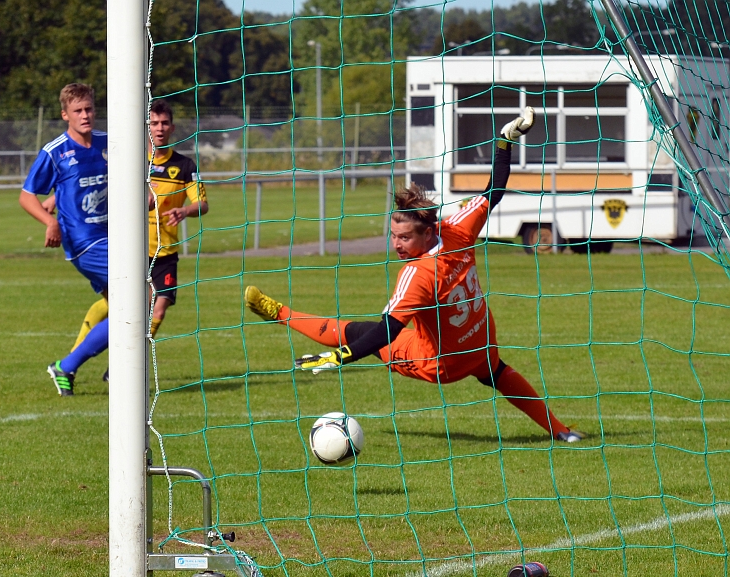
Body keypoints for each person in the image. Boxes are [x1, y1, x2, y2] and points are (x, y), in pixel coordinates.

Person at [244, 107, 582, 442]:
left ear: (428, 232)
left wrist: (340, 357)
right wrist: (505, 141)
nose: (396, 245)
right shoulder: (457, 228)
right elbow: (494, 192)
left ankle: (279, 313)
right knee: (498, 372)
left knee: (357, 331)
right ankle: (563, 432)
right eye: (392, 236)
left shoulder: (417, 274)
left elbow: (387, 332)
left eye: (404, 238)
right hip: (481, 341)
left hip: (439, 363)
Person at [67, 99, 208, 382]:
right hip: (129, 250)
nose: (159, 128)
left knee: (159, 306)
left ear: (172, 127)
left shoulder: (184, 166)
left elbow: (203, 204)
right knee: (112, 306)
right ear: (146, 127)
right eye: (154, 123)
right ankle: (73, 358)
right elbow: (94, 188)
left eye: (164, 123)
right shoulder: (130, 162)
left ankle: (120, 365)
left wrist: (184, 210)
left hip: (164, 253)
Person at [19, 83, 109, 396]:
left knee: (126, 305)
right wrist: (50, 220)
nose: (85, 115)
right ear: (65, 115)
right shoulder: (55, 152)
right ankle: (73, 365)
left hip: (113, 235)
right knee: (139, 302)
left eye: (89, 109)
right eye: (78, 111)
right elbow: (27, 196)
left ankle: (67, 367)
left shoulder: (107, 142)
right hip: (85, 242)